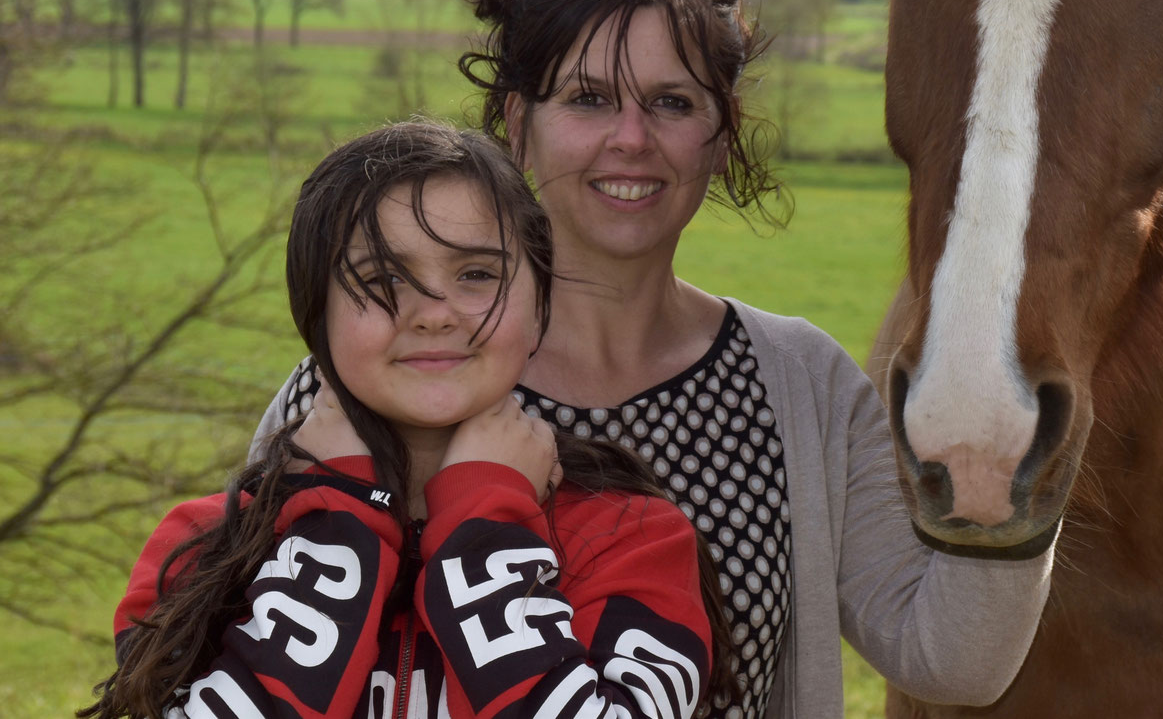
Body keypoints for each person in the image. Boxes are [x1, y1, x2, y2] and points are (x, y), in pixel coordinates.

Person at [255, 0, 1051, 719]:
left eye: (672, 101)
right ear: (518, 121)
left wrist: (1029, 402)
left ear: (719, 133)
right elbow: (247, 667)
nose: (631, 139)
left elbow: (952, 659)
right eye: (588, 98)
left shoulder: (798, 383)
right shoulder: (378, 381)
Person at [90, 119, 719, 719]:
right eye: (382, 278)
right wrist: (338, 527)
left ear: (539, 310)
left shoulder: (629, 539)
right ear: (317, 315)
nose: (434, 314)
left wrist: (485, 529)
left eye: (476, 274)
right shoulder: (205, 545)